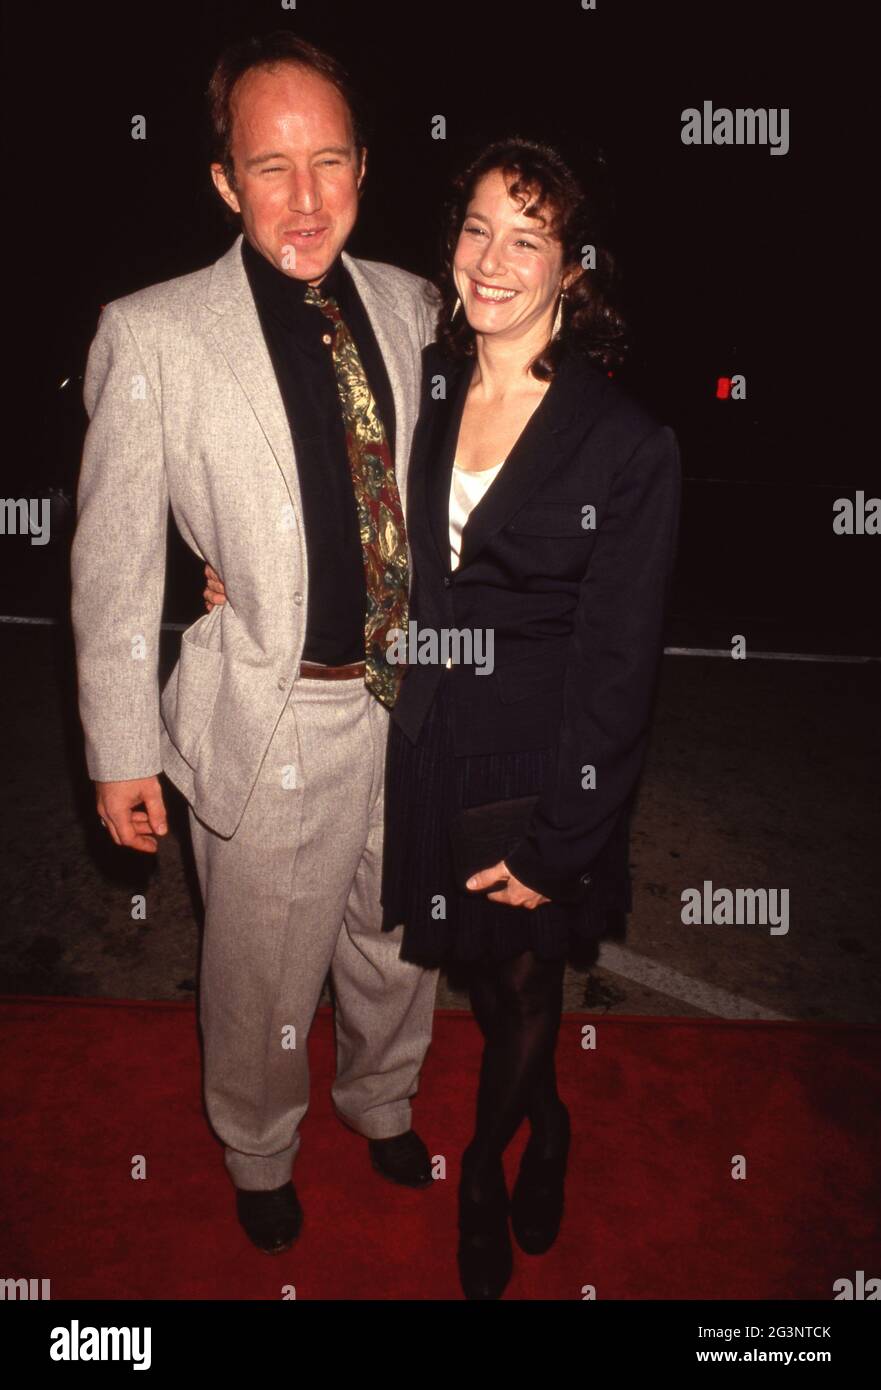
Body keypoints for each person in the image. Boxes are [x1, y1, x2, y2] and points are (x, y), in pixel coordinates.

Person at [207, 136, 681, 1298]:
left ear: (573, 267)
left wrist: (561, 838)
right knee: (480, 979)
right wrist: (236, 575)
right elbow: (338, 500)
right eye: (476, 227)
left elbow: (619, 672)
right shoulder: (420, 376)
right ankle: (549, 1123)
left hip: (541, 765)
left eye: (528, 237)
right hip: (426, 743)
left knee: (522, 990)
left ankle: (485, 1169)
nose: (492, 258)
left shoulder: (624, 444)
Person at [70, 32, 440, 1257]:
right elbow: (115, 560)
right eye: (269, 166)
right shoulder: (154, 333)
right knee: (263, 971)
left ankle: (381, 1095)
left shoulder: (411, 303)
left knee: (395, 935)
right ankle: (259, 1144)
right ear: (225, 182)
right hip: (277, 708)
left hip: (416, 702)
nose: (305, 196)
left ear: (363, 168)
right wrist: (120, 746)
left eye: (328, 161)